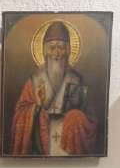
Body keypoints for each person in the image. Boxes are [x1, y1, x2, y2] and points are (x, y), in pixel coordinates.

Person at [9, 19, 98, 155]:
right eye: (52, 48)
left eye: (61, 48)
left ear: (67, 51)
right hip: (41, 145)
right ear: (45, 51)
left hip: (70, 148)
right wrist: (36, 110)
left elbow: (91, 120)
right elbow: (20, 113)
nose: (57, 54)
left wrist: (76, 117)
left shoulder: (77, 80)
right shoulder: (34, 81)